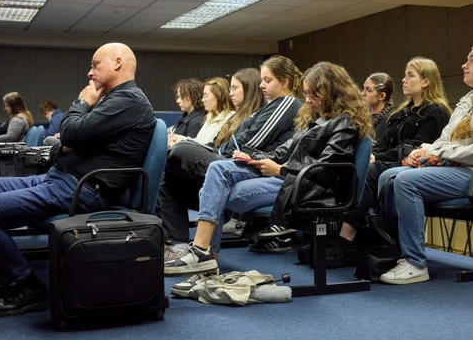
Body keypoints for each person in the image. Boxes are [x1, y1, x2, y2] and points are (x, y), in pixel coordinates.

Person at [0, 42, 156, 316]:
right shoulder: (112, 100)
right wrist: (70, 141)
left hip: (81, 189)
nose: (89, 73)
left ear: (117, 63)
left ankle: (28, 285)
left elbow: (68, 135)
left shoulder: (128, 101)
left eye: (95, 64)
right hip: (57, 178)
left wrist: (82, 104)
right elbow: (61, 143)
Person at [166, 61, 373, 278]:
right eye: (307, 94)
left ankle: (205, 258)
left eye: (314, 95)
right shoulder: (314, 118)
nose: (309, 100)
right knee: (218, 169)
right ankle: (204, 256)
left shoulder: (345, 124)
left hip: (304, 186)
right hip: (289, 177)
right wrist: (254, 158)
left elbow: (326, 173)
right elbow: (281, 152)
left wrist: (280, 170)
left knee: (215, 191)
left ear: (333, 93)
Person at [378, 41, 473, 285]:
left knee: (405, 181)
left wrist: (442, 155)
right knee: (389, 176)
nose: (464, 65)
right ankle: (392, 252)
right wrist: (426, 151)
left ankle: (415, 262)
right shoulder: (469, 100)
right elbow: (446, 138)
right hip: (460, 168)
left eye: (472, 60)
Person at [157, 55, 302, 269]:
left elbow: (254, 141)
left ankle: (203, 253)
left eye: (268, 80)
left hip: (252, 168)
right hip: (235, 162)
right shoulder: (267, 108)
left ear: (286, 81)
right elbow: (232, 143)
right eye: (261, 80)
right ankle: (179, 246)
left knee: (181, 151)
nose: (262, 84)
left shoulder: (287, 103)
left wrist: (222, 151)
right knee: (169, 176)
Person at [304, 57, 451, 268]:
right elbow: (384, 143)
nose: (404, 80)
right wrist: (371, 153)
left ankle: (347, 237)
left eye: (410, 75)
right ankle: (338, 233)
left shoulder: (437, 112)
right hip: (396, 163)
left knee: (370, 171)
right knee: (359, 166)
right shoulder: (401, 112)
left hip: (416, 166)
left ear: (426, 81)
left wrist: (377, 157)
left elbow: (415, 147)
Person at [169, 77, 234, 147]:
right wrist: (178, 139)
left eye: (206, 96)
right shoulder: (209, 117)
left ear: (219, 96)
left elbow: (207, 147)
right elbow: (198, 141)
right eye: (203, 96)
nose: (203, 100)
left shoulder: (230, 118)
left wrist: (179, 144)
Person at [362, 72, 394, 141]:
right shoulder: (363, 115)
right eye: (363, 88)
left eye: (368, 90)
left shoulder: (388, 119)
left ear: (381, 96)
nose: (362, 93)